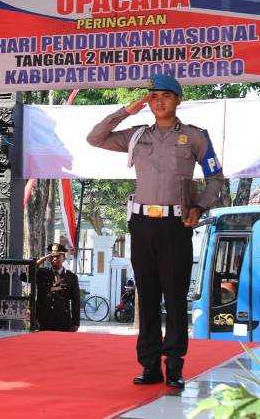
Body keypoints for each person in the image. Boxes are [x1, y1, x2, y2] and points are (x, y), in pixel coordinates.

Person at [87, 74, 225, 389]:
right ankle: (149, 366)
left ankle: (174, 367)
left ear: (178, 99)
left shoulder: (194, 137)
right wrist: (127, 110)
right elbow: (95, 138)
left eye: (165, 95)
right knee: (147, 297)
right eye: (153, 96)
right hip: (142, 224)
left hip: (176, 225)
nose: (158, 102)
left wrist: (199, 208)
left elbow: (216, 178)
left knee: (175, 297)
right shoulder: (137, 135)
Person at [32, 243, 80, 332]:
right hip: (43, 319)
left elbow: (76, 301)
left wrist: (75, 322)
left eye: (58, 256)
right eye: (52, 257)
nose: (54, 259)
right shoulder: (41, 273)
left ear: (64, 258)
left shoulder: (71, 277)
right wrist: (37, 263)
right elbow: (24, 277)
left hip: (63, 320)